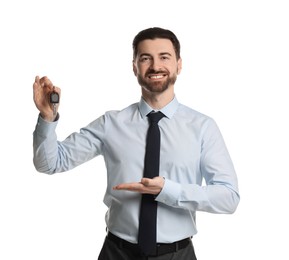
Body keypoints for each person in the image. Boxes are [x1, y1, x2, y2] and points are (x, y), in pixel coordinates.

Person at [33, 27, 240, 260]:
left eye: (164, 57)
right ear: (134, 67)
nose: (155, 66)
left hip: (177, 254)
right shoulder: (111, 123)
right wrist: (47, 118)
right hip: (117, 253)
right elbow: (50, 164)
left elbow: (228, 197)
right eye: (145, 58)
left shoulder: (203, 127)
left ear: (179, 64)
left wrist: (168, 190)